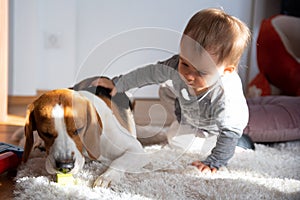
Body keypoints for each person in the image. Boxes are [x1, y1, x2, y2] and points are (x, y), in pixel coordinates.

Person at [91, 8, 252, 173]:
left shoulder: (226, 97)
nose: (189, 75)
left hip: (216, 128)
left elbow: (229, 132)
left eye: (201, 72)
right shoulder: (176, 66)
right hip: (190, 113)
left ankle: (242, 143)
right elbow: (150, 73)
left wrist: (215, 162)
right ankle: (185, 119)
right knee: (167, 96)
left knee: (207, 146)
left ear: (226, 71)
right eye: (185, 64)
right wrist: (118, 83)